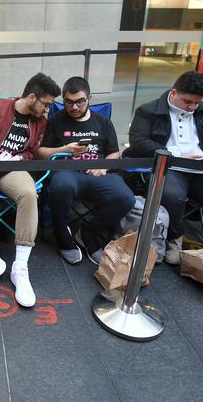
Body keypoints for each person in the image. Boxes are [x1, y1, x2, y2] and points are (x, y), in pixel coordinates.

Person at [0, 73, 61, 308]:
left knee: (28, 193)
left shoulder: (40, 122)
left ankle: (20, 268)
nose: (47, 110)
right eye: (45, 104)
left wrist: (18, 158)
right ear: (32, 97)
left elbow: (32, 152)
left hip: (12, 171)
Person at [127, 71, 203, 263]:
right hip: (170, 167)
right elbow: (138, 142)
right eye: (188, 102)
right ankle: (175, 237)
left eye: (197, 102)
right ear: (174, 92)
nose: (193, 107)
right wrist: (173, 154)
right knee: (172, 196)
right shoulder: (148, 110)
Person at [37, 77, 135, 265]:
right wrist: (64, 150)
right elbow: (40, 153)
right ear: (63, 100)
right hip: (67, 172)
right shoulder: (56, 121)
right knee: (61, 185)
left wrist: (103, 166)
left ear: (89, 97)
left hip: (98, 173)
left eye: (80, 101)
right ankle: (63, 236)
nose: (74, 107)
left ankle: (89, 232)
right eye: (69, 102)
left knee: (126, 198)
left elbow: (114, 153)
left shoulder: (103, 122)